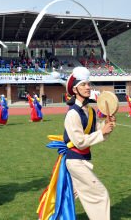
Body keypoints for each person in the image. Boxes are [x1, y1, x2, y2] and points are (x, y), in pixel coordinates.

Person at [38, 67, 115, 220]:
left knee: (67, 194)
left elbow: (99, 133)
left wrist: (108, 126)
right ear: (74, 89)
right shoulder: (72, 114)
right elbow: (79, 142)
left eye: (88, 84)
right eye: (83, 85)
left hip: (83, 159)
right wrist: (102, 132)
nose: (87, 87)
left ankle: (49, 217)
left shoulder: (91, 111)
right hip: (75, 160)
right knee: (101, 194)